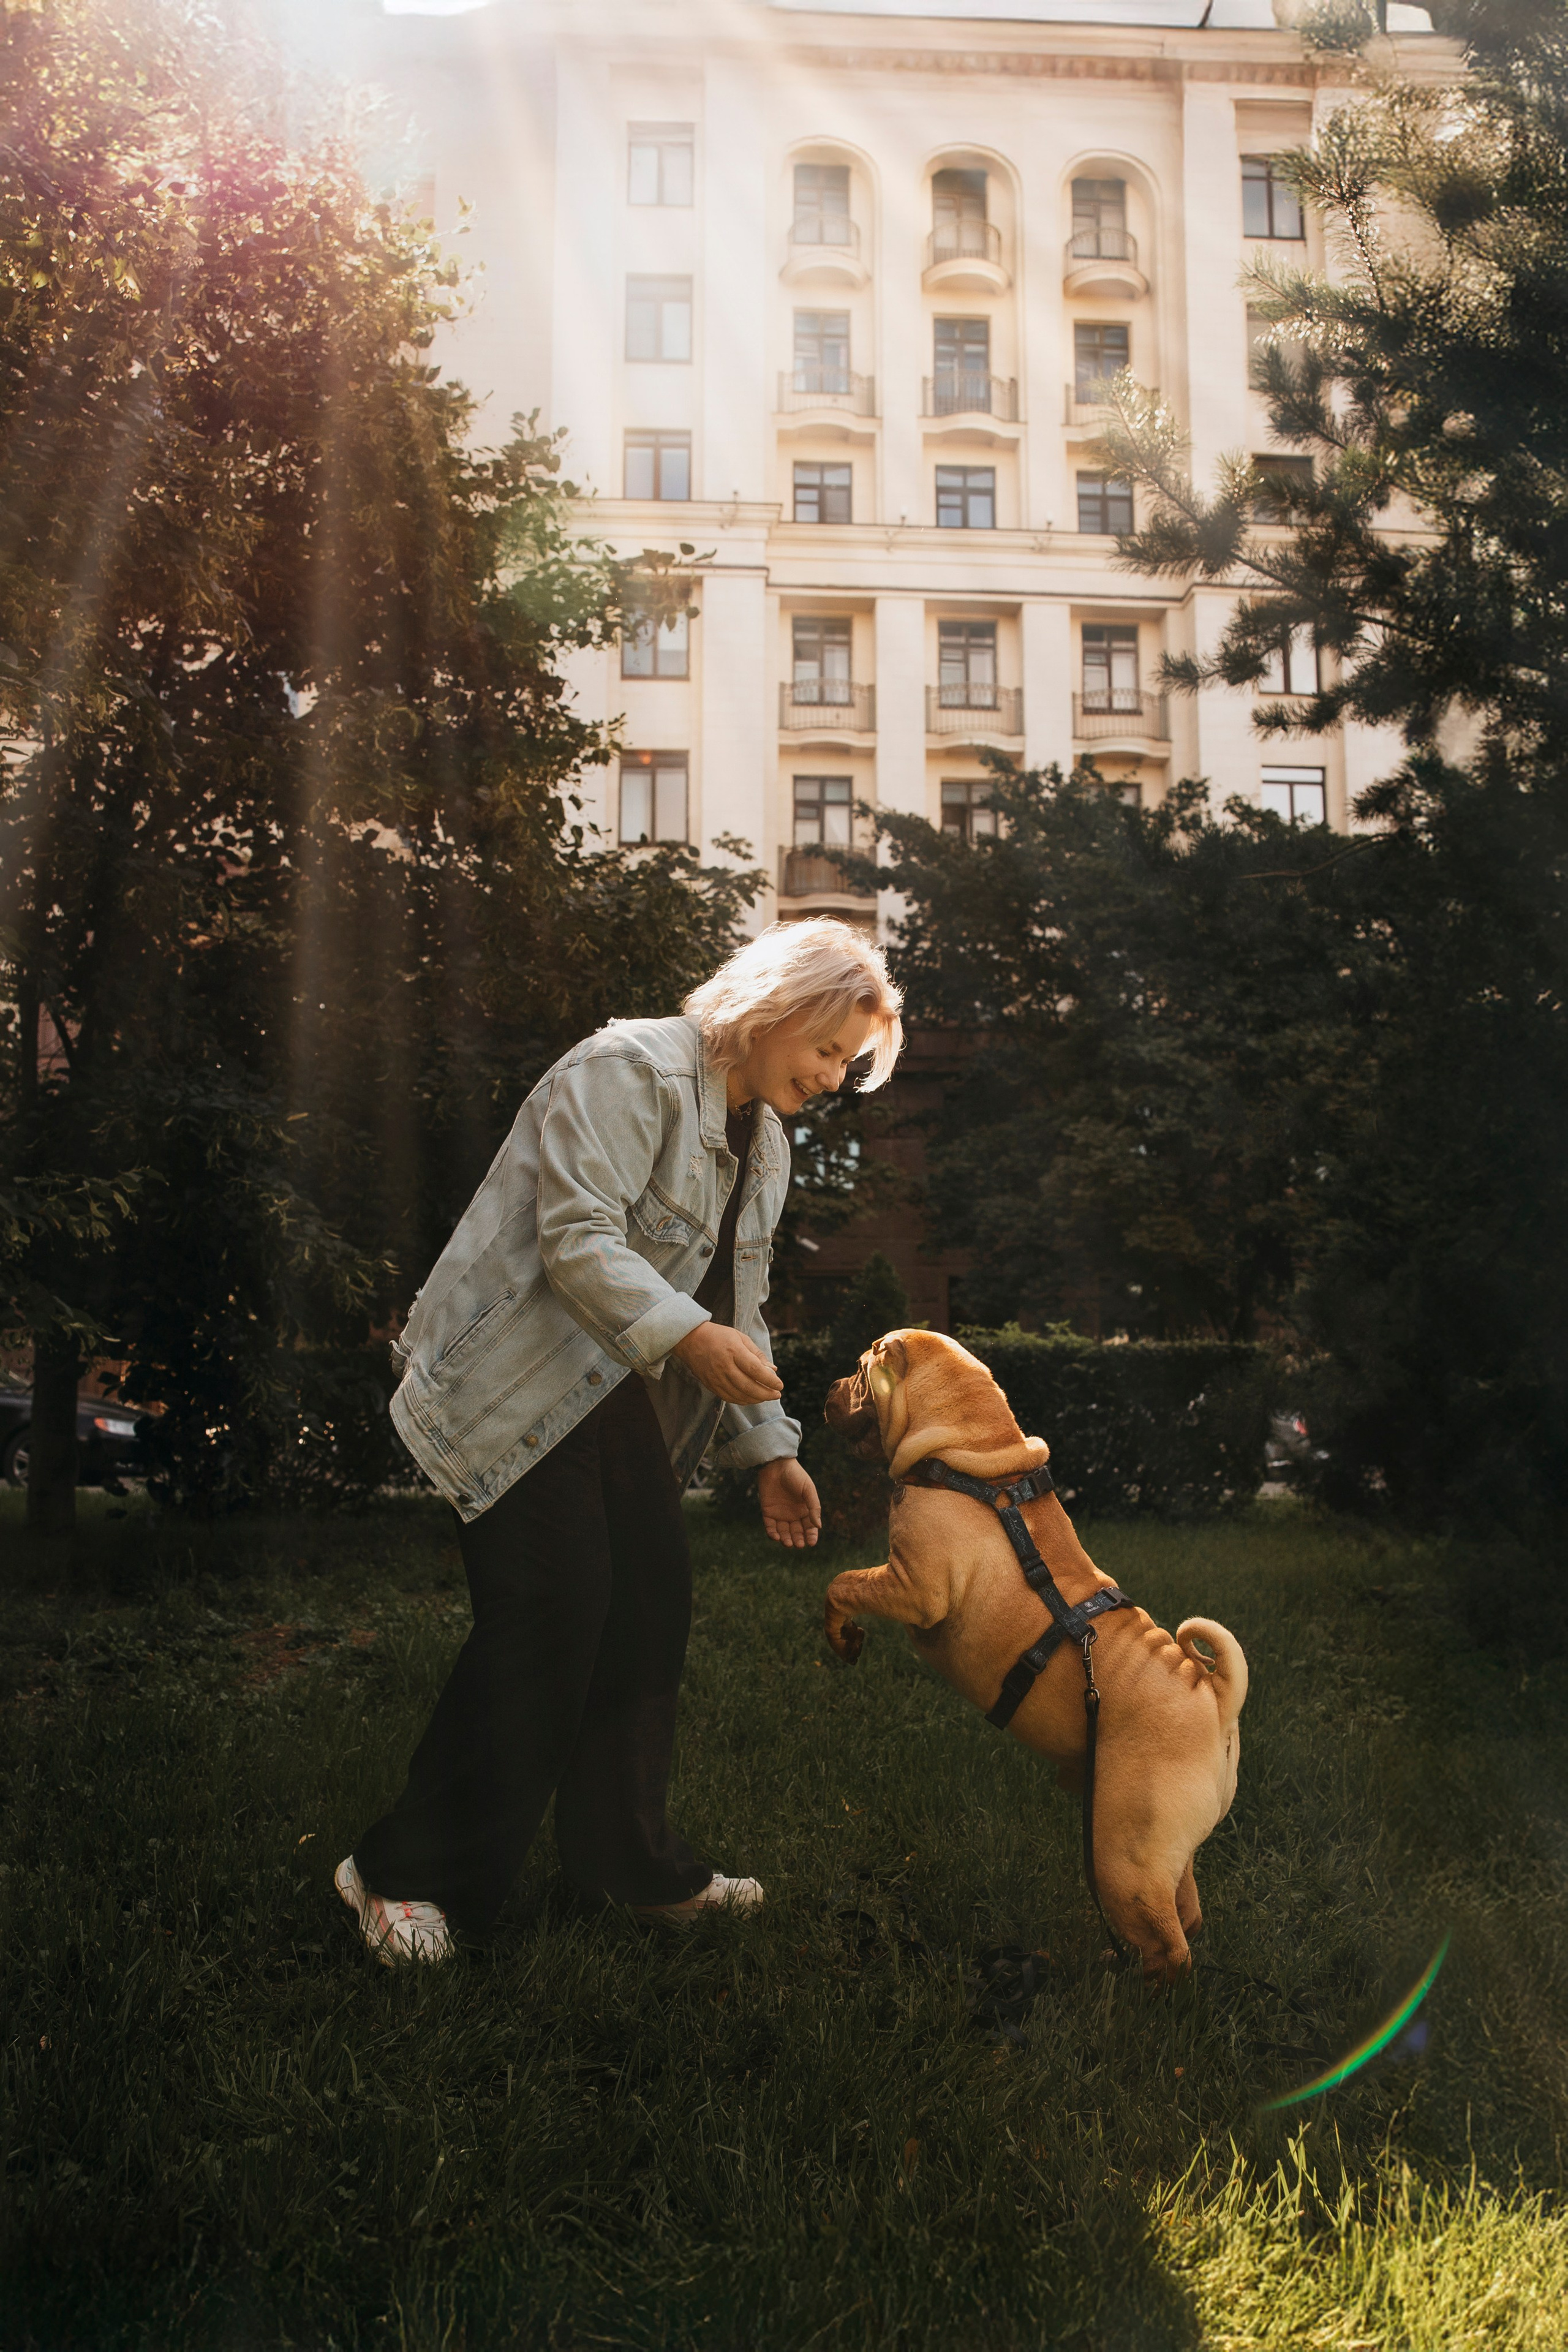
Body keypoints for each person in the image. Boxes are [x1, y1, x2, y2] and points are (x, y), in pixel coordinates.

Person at [335, 917, 904, 1966]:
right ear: (774, 1008)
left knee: (646, 1608)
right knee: (555, 1608)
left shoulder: (766, 1143)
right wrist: (688, 1336)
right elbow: (578, 1237)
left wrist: (772, 1452)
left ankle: (627, 1870)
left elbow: (741, 1307)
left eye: (848, 1063)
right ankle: (401, 1876)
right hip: (515, 1376)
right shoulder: (629, 1069)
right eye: (828, 1050)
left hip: (616, 1391)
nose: (834, 1079)